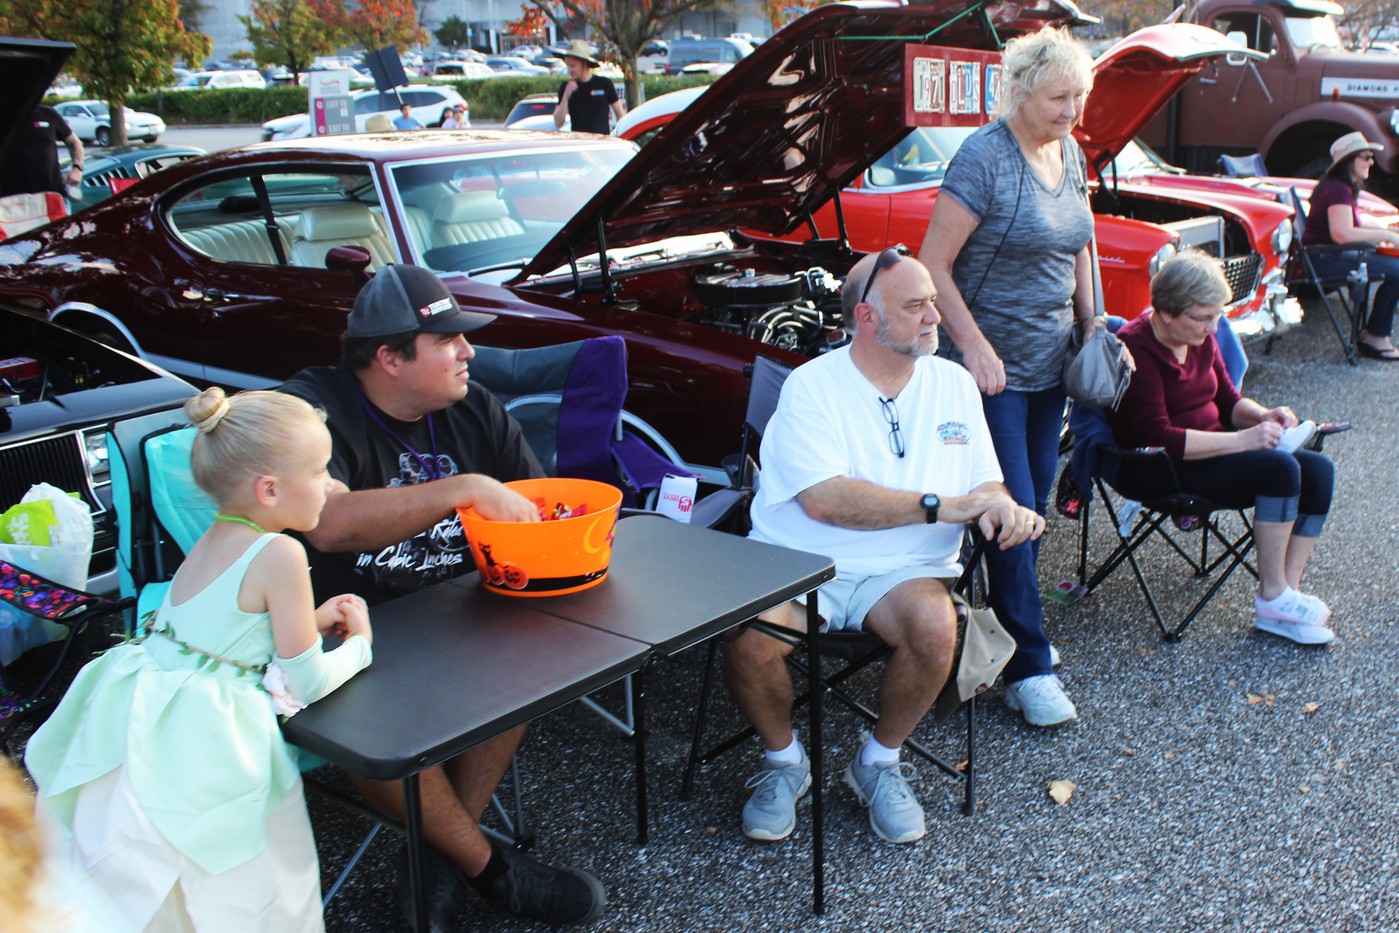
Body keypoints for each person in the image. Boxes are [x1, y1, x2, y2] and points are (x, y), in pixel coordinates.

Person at [281, 264, 607, 929]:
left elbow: (542, 511)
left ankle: (435, 854)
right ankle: (489, 867)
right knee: (358, 711)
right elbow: (327, 521)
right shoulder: (313, 411)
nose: (470, 352)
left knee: (529, 658)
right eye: (449, 341)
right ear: (389, 357)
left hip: (458, 613)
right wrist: (462, 489)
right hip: (344, 629)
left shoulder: (473, 407)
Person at [24, 387, 374, 931]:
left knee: (160, 884)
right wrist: (359, 646)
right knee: (246, 883)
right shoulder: (281, 552)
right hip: (210, 739)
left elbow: (222, 630)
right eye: (320, 470)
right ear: (270, 488)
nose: (332, 485)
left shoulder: (215, 536)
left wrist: (307, 619)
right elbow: (307, 682)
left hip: (145, 719)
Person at [727, 249, 1044, 845]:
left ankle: (877, 762)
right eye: (916, 305)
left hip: (902, 571)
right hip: (803, 564)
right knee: (750, 641)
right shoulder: (811, 386)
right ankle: (784, 762)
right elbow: (824, 501)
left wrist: (999, 504)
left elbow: (983, 479)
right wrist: (939, 506)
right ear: (866, 318)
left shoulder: (952, 383)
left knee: (935, 628)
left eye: (934, 301)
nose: (936, 317)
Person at [918, 26, 1098, 727]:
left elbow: (1080, 240)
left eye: (1078, 96)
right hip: (989, 373)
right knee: (1013, 512)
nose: (1071, 109)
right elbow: (932, 264)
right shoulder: (983, 158)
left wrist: (1094, 324)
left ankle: (1004, 628)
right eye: (1058, 96)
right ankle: (1029, 663)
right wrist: (973, 346)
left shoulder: (1069, 150)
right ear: (1019, 91)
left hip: (1051, 362)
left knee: (1035, 509)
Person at [1108, 251, 1337, 645]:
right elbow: (1159, 435)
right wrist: (1243, 440)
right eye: (1202, 317)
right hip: (1158, 468)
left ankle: (1286, 594)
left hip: (1212, 453)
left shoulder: (1201, 336)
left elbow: (1229, 401)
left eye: (1217, 315)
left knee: (1319, 470)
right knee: (1280, 470)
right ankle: (1273, 595)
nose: (1213, 327)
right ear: (1164, 312)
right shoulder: (1135, 348)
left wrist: (1267, 416)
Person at [1303, 131, 1399, 360]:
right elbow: (1342, 234)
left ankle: (1374, 333)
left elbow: (1350, 225)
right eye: (1366, 156)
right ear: (1349, 160)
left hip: (1328, 256)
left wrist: (1386, 232)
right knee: (1397, 269)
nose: (1371, 162)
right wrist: (1386, 235)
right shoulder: (1338, 189)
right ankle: (1374, 335)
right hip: (1323, 260)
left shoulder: (1340, 188)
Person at [0, 105, 83, 200]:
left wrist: (77, 169)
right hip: (10, 201)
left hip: (52, 195)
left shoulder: (48, 113)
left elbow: (74, 142)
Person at [553, 40, 624, 134]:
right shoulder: (566, 87)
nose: (569, 70)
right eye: (568, 66)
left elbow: (620, 115)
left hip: (602, 143)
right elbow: (558, 122)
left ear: (584, 64)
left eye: (573, 66)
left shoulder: (604, 83)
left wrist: (619, 136)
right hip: (580, 144)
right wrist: (566, 96)